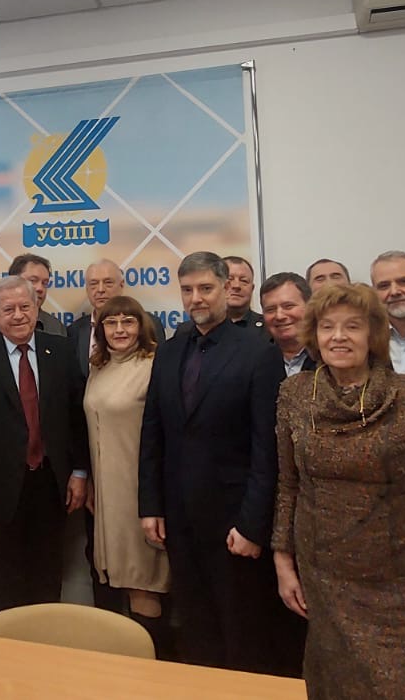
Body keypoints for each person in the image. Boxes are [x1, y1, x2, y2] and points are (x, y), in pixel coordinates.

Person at [272, 283, 405, 698]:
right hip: (325, 580)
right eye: (327, 327)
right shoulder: (295, 394)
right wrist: (283, 561)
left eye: (352, 326)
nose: (338, 337)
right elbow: (289, 484)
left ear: (373, 335)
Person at [138, 251, 295, 674]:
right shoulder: (169, 351)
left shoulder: (260, 352)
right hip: (179, 519)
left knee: (241, 631)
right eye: (187, 290)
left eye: (206, 288)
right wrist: (150, 505)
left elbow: (268, 449)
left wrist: (253, 525)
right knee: (194, 627)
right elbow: (153, 432)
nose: (196, 298)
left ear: (227, 288)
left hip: (234, 523)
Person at [0, 276, 88, 622]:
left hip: (52, 485)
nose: (18, 315)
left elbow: (75, 416)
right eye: (8, 309)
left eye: (25, 307)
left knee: (47, 574)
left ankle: (42, 639)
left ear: (37, 308)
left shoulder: (59, 351)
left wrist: (79, 471)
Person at [82, 295, 170, 652]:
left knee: (143, 580)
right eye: (111, 322)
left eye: (128, 322)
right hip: (107, 494)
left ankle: (154, 667)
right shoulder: (99, 367)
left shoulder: (154, 365)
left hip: (140, 490)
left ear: (141, 325)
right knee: (118, 579)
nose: (120, 329)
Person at [68, 258, 168, 375]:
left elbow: (161, 370)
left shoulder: (148, 323)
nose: (100, 290)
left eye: (108, 283)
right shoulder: (75, 330)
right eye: (93, 284)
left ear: (121, 285)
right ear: (87, 289)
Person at [0, 253, 68, 348]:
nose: (40, 288)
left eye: (45, 283)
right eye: (33, 280)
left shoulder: (55, 327)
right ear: (13, 280)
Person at [261, 272, 316, 377]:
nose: (279, 316)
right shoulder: (255, 358)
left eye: (288, 306)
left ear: (309, 307)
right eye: (270, 309)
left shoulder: (326, 356)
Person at [222, 255, 265, 331]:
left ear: (252, 288)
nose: (236, 286)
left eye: (244, 281)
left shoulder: (268, 328)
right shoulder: (203, 326)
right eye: (230, 279)